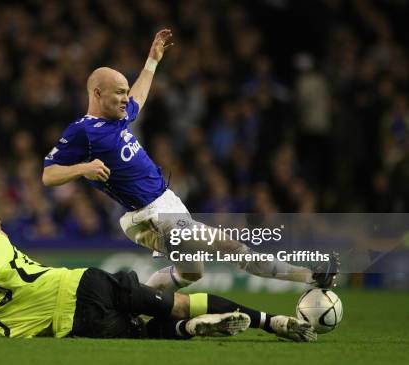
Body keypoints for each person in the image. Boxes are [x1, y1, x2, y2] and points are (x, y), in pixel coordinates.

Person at [41, 29, 338, 290]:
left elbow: (139, 97)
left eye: (124, 92)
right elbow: (48, 175)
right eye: (119, 92)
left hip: (167, 203)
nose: (125, 98)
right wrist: (84, 168)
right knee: (231, 246)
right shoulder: (82, 131)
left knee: (191, 274)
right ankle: (311, 275)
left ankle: (136, 303)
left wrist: (152, 60)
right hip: (151, 215)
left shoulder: (117, 117)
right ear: (97, 93)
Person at [0, 208, 316, 342]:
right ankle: (273, 321)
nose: (3, 227)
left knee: (160, 329)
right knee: (177, 302)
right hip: (83, 285)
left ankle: (190, 331)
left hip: (77, 329)